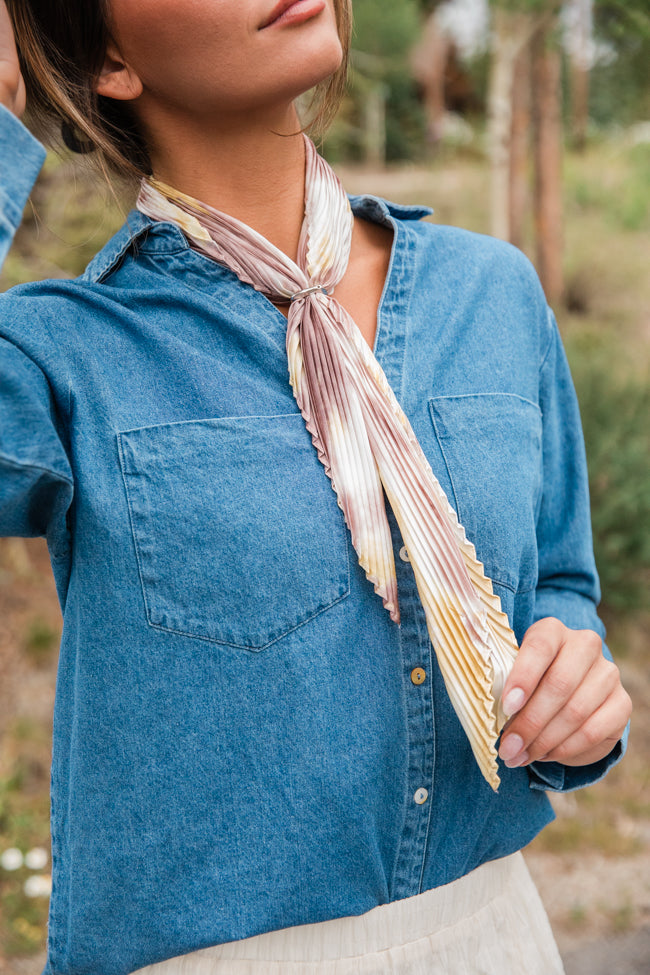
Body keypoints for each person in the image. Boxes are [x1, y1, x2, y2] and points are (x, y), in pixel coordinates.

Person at [0, 2, 632, 974]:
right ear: (109, 59)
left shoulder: (488, 292)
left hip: (493, 934)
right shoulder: (64, 352)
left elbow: (556, 585)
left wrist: (574, 683)